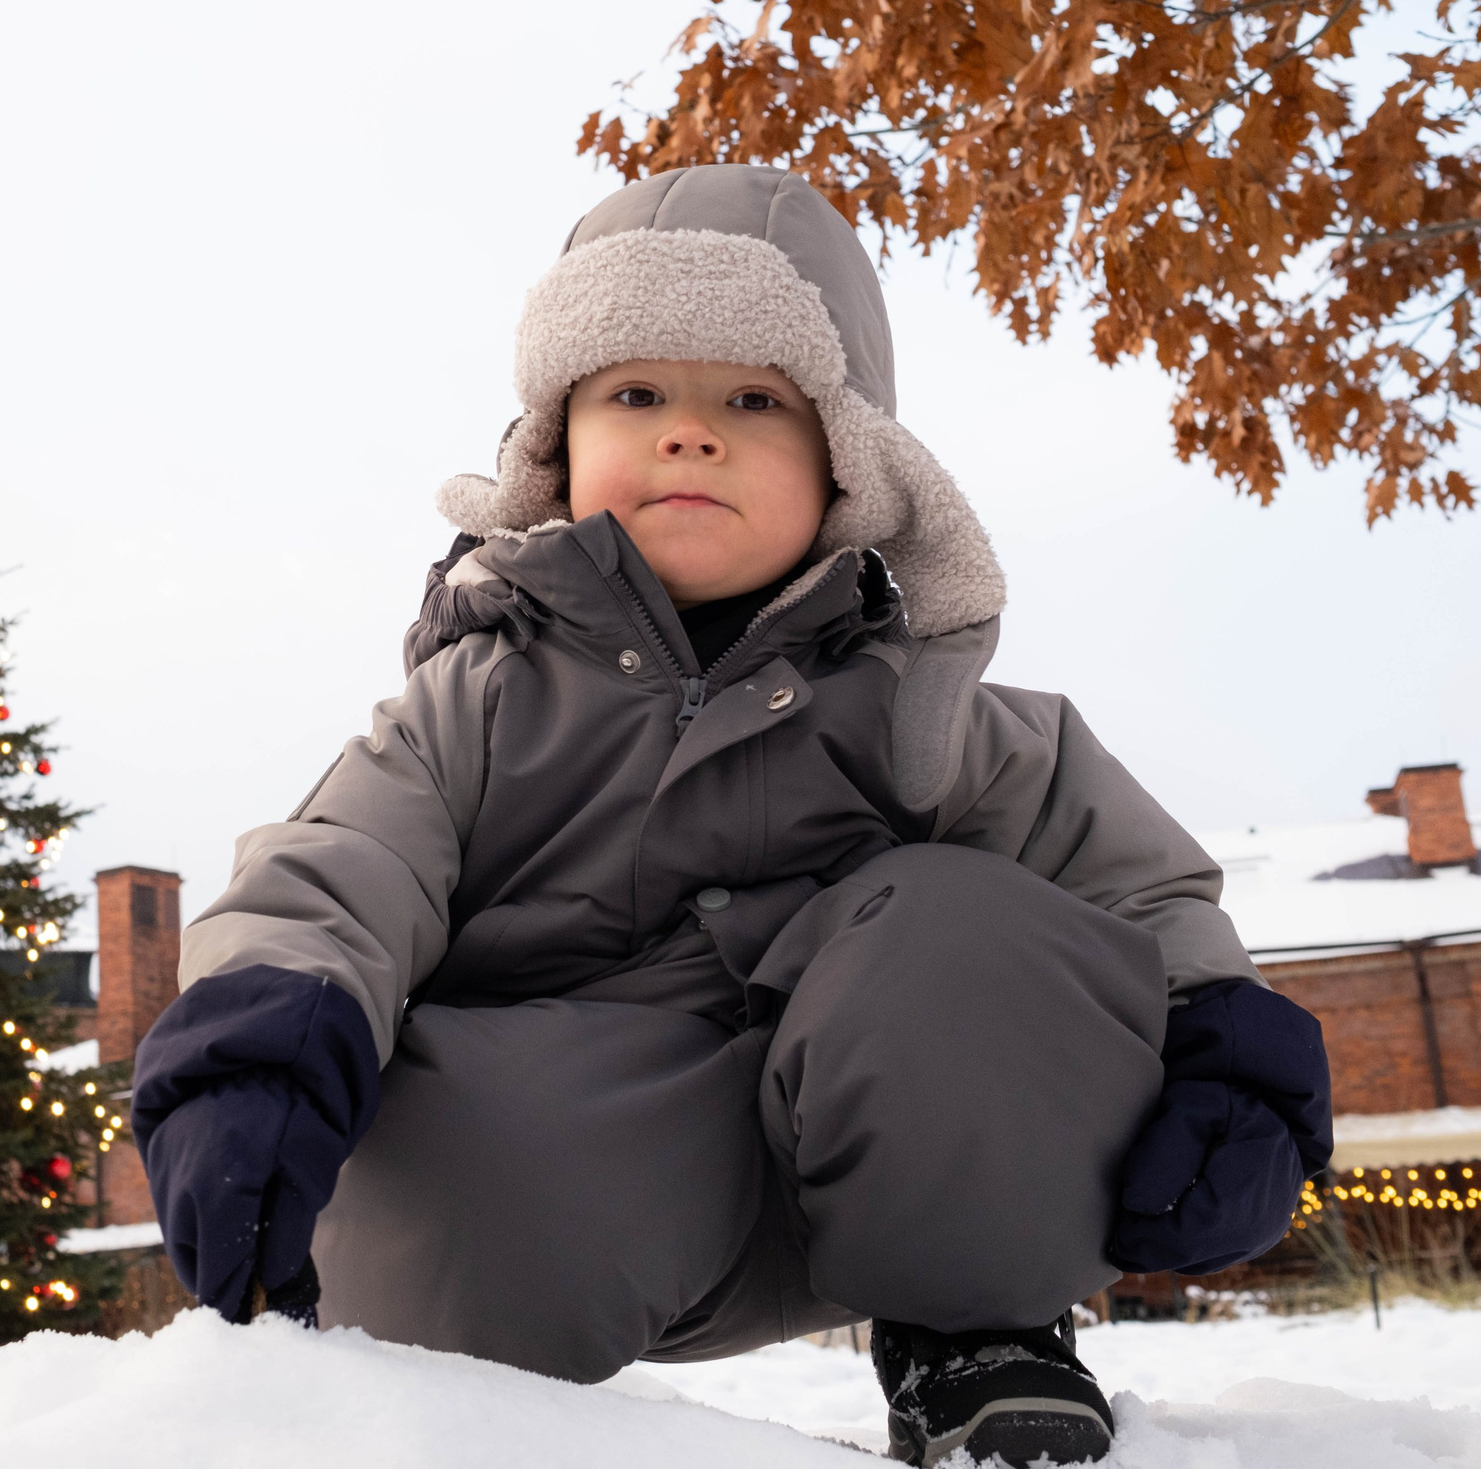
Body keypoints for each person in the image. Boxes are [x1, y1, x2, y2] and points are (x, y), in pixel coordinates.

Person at [129, 165, 1331, 1466]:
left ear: (849, 465)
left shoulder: (925, 713)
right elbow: (334, 876)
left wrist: (1233, 1067)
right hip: (567, 1214)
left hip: (913, 1185)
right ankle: (424, 1409)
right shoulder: (480, 704)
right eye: (636, 392)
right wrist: (254, 1068)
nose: (688, 434)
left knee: (967, 929)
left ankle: (977, 1344)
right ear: (556, 446)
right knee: (471, 1114)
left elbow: (1139, 891)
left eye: (753, 399)